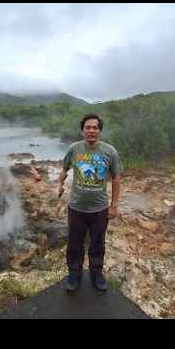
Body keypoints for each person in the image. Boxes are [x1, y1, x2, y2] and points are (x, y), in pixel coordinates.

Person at [56, 112, 122, 292]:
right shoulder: (74, 149)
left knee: (98, 243)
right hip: (76, 207)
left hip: (100, 209)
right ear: (82, 131)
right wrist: (58, 187)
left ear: (100, 130)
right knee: (74, 243)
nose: (91, 130)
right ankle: (74, 274)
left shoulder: (110, 151)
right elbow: (64, 169)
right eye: (88, 127)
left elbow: (116, 178)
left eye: (95, 127)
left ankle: (96, 273)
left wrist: (114, 206)